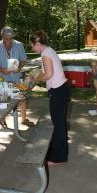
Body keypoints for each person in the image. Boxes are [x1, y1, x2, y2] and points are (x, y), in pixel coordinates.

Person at [29, 31, 71, 166]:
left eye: (32, 46)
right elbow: (47, 71)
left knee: (58, 125)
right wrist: (36, 74)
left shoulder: (45, 54)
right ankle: (59, 152)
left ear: (38, 43)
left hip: (58, 91)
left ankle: (58, 157)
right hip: (61, 89)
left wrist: (36, 78)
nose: (32, 49)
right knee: (59, 123)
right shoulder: (49, 50)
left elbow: (49, 74)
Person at [0, 26, 33, 126]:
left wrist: (19, 68)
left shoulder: (19, 45)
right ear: (2, 36)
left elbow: (23, 59)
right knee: (2, 100)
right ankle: (2, 120)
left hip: (16, 77)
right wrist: (2, 69)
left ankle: (24, 119)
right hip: (3, 78)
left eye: (10, 38)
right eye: (6, 38)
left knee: (22, 98)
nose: (8, 41)